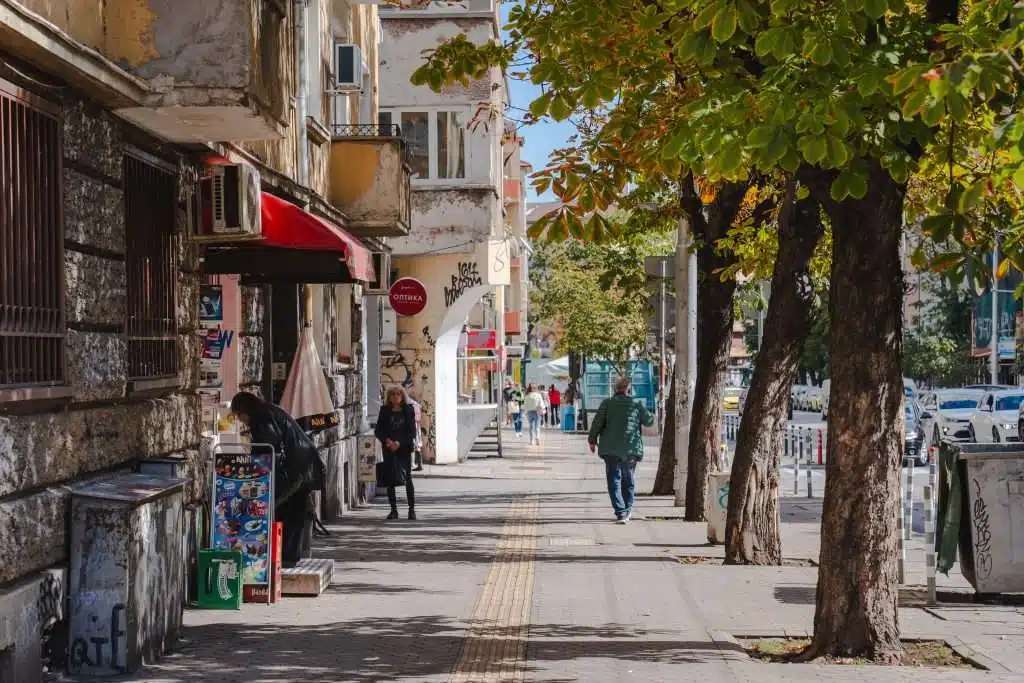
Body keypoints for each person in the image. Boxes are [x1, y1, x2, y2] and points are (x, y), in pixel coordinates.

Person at [229, 391, 326, 567]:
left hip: (296, 467)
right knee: (293, 509)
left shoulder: (261, 416)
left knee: (285, 509)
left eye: (238, 416)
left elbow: (268, 446)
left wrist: (254, 468)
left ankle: (286, 556)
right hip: (303, 463)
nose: (240, 421)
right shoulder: (268, 411)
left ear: (243, 410)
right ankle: (288, 556)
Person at [587, 376, 654, 523]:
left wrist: (592, 441)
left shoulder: (607, 404)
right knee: (628, 480)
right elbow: (649, 421)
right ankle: (627, 510)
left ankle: (621, 512)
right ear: (629, 390)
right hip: (631, 448)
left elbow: (597, 423)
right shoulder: (636, 404)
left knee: (614, 480)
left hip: (610, 450)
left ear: (615, 389)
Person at [375, 386, 418, 520]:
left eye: (398, 394)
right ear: (389, 397)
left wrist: (398, 443)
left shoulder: (408, 410)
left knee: (407, 478)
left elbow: (412, 432)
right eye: (392, 394)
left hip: (404, 449)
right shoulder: (385, 410)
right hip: (389, 449)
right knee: (390, 480)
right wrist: (387, 441)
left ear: (402, 396)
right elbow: (378, 430)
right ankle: (394, 510)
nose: (395, 396)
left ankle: (411, 510)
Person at [407, 391, 424, 471]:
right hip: (417, 426)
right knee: (417, 446)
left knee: (415, 446)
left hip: (414, 427)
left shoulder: (411, 406)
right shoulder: (417, 406)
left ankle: (417, 465)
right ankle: (419, 465)